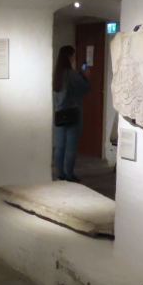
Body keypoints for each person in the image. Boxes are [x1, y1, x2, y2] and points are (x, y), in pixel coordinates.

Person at [52, 45, 91, 182]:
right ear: (69, 57)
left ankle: (60, 174)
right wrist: (85, 76)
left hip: (58, 114)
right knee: (71, 146)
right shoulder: (72, 74)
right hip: (73, 114)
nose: (74, 59)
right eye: (73, 56)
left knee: (60, 145)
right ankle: (69, 175)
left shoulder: (56, 75)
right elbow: (85, 89)